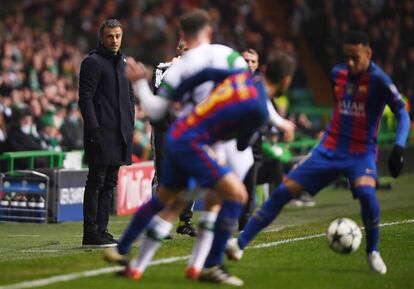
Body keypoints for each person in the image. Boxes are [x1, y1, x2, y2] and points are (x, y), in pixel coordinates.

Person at [225, 31, 411, 275]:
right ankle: (239, 244)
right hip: (330, 147)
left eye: (355, 57)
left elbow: (403, 114)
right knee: (283, 191)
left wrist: (398, 147)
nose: (350, 63)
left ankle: (372, 251)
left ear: (368, 53)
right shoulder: (338, 74)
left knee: (367, 195)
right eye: (347, 57)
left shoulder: (380, 80)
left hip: (360, 152)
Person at [78, 19, 135, 248]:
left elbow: (129, 99)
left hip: (120, 133)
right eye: (110, 36)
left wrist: (130, 126)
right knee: (96, 181)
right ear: (101, 37)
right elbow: (85, 98)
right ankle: (90, 233)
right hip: (101, 132)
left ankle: (102, 230)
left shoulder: (123, 62)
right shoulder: (92, 62)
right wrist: (94, 130)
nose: (114, 40)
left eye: (118, 36)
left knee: (110, 182)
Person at [238, 48, 296, 229]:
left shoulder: (254, 85)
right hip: (212, 142)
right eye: (246, 61)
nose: (249, 65)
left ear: (261, 69)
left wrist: (281, 123)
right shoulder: (256, 100)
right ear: (286, 81)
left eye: (252, 61)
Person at [150, 40, 197, 237]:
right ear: (178, 50)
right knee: (163, 176)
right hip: (164, 130)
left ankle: (185, 220)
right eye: (185, 50)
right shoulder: (163, 68)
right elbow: (158, 91)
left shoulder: (199, 73)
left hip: (189, 130)